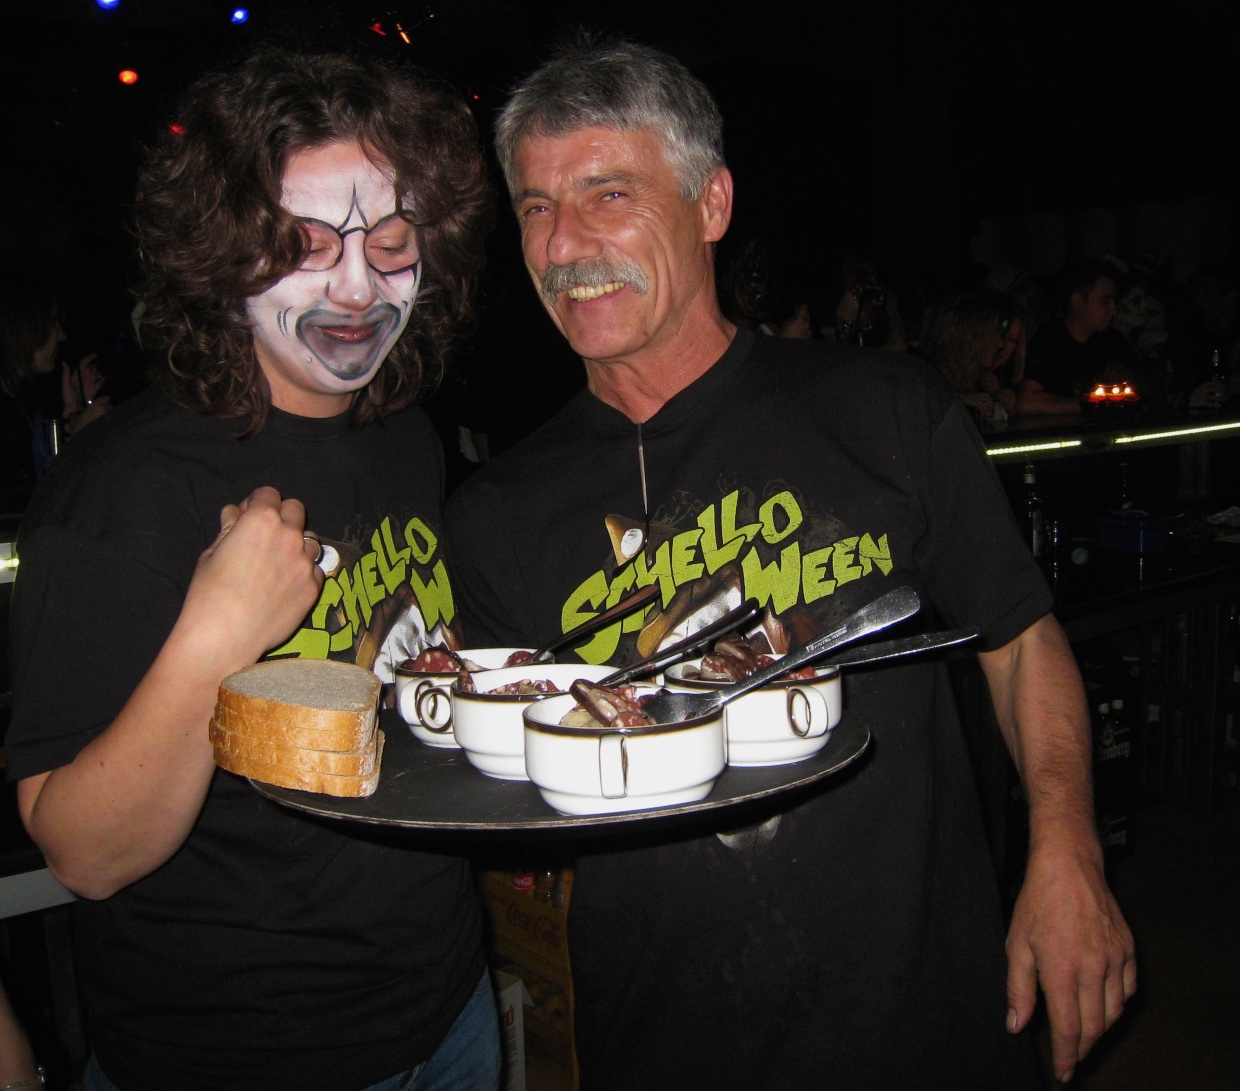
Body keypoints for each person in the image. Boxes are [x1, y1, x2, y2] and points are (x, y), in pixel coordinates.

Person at [445, 34, 1135, 1089]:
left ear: (711, 203)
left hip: (925, 1013)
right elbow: (512, 795)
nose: (565, 242)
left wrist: (1068, 849)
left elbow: (1019, 642)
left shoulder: (886, 409)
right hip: (665, 1035)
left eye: (609, 194)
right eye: (537, 206)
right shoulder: (498, 511)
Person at [4, 46, 498, 1091]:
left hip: (449, 1011)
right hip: (242, 1053)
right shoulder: (122, 491)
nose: (357, 286)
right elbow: (83, 854)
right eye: (304, 245)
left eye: (393, 242)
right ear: (224, 259)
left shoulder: (403, 437)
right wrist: (218, 634)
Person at [0, 283, 109, 512]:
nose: (61, 336)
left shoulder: (22, 400)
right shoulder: (6, 414)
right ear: (26, 328)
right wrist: (79, 437)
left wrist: (72, 411)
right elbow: (31, 504)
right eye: (53, 324)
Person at [1017, 260, 1139, 415]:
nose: (1113, 309)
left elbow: (1140, 389)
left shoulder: (1115, 342)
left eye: (1114, 301)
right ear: (1077, 301)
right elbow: (1026, 402)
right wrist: (1094, 403)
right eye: (1104, 301)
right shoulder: (1049, 340)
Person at [920, 291, 1026, 425]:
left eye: (1012, 340)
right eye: (994, 335)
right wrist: (958, 399)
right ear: (972, 338)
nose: (1000, 344)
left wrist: (997, 401)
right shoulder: (928, 377)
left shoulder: (977, 383)